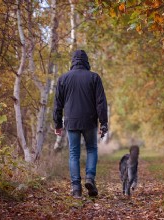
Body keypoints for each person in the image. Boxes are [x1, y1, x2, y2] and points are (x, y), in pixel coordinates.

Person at [53, 50, 108, 198]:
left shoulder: (63, 78)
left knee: (73, 154)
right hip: (90, 121)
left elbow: (58, 104)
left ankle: (76, 188)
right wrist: (104, 123)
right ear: (86, 61)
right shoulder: (94, 77)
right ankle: (90, 178)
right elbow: (101, 102)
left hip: (71, 122)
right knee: (91, 149)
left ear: (73, 61)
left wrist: (57, 123)